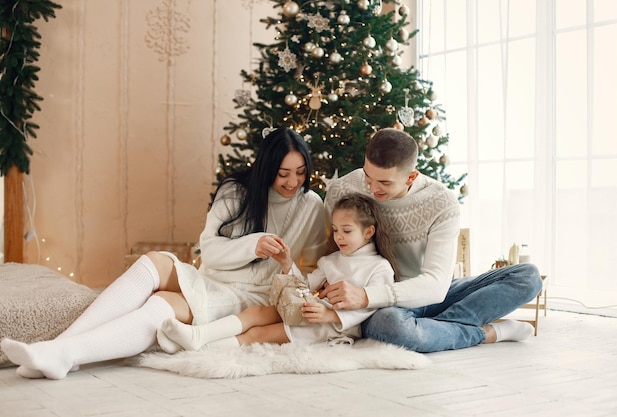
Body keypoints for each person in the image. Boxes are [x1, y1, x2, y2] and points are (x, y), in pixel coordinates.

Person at [0, 127, 327, 379]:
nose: (292, 182)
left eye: (300, 173)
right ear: (266, 167)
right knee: (153, 261)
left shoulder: (311, 206)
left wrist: (285, 266)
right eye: (283, 173)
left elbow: (310, 272)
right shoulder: (235, 191)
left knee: (161, 306)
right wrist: (251, 245)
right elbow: (209, 253)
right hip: (211, 278)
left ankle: (64, 354)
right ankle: (55, 350)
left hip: (251, 297)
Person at [320, 127, 544, 353]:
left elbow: (436, 286)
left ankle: (434, 330)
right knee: (392, 326)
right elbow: (329, 248)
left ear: (411, 177)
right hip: (384, 306)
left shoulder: (441, 202)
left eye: (384, 183)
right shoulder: (344, 189)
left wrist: (365, 296)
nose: (372, 187)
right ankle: (485, 333)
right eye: (368, 177)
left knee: (528, 277)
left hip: (427, 291)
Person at [156, 193, 397, 349]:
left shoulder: (378, 267)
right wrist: (286, 262)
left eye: (347, 230)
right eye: (335, 230)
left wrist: (330, 316)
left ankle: (200, 345)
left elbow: (372, 305)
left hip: (326, 326)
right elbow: (303, 287)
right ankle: (199, 335)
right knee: (256, 312)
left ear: (368, 232)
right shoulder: (331, 260)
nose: (339, 237)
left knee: (259, 334)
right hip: (305, 310)